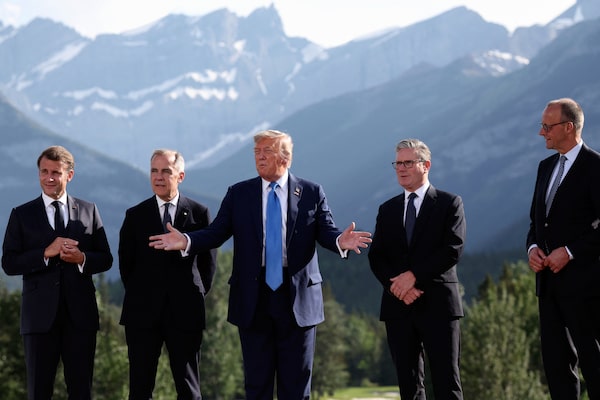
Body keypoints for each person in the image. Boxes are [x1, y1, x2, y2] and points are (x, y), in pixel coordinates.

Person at [148, 129, 372, 399]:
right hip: (253, 299)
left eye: (267, 151)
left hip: (298, 298)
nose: (260, 157)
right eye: (256, 152)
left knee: (296, 387)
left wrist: (339, 241)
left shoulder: (311, 192)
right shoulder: (239, 193)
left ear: (285, 157)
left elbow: (326, 231)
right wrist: (186, 240)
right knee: (257, 385)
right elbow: (216, 232)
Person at [1, 145, 113, 400]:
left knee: (81, 391)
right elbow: (9, 263)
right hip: (38, 319)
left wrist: (82, 258)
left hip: (80, 318)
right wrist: (45, 253)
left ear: (69, 175)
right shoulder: (21, 214)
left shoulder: (89, 210)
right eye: (44, 172)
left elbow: (105, 258)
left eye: (56, 172)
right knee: (39, 392)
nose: (49, 178)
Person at [368, 138, 466, 400]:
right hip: (398, 306)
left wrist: (413, 277)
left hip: (438, 304)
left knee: (447, 382)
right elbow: (377, 256)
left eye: (408, 163)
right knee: (408, 386)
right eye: (398, 163)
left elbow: (452, 249)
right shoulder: (387, 209)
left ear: (426, 165)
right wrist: (397, 287)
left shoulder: (449, 203)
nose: (401, 168)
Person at [119, 149, 217, 400]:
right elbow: (126, 265)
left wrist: (191, 295)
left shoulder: (199, 213)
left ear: (180, 176)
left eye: (166, 171)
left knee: (189, 388)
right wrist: (145, 295)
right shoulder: (135, 215)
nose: (158, 177)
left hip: (185, 313)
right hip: (142, 315)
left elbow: (208, 266)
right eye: (154, 171)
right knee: (140, 389)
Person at [526, 98, 600, 400]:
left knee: (594, 363)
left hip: (586, 287)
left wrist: (569, 251)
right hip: (548, 286)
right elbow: (536, 221)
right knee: (557, 367)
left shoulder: (595, 166)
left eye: (547, 126)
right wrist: (532, 248)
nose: (541, 132)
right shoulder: (545, 167)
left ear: (568, 127)